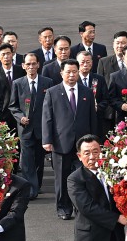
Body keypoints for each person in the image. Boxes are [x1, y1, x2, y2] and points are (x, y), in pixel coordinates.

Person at [42, 59, 97, 219]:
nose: (72, 75)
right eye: (68, 72)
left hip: (83, 144)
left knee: (84, 177)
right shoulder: (52, 92)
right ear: (61, 73)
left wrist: (94, 140)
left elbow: (92, 117)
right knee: (61, 178)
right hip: (61, 142)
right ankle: (63, 208)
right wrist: (47, 140)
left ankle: (82, 208)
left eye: (75, 72)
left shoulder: (86, 92)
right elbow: (47, 118)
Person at [8, 53, 51, 198]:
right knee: (26, 161)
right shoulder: (18, 83)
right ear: (23, 66)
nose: (31, 67)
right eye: (28, 64)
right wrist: (21, 118)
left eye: (34, 64)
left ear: (38, 65)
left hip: (42, 128)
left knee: (39, 159)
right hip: (25, 129)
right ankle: (30, 190)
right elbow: (12, 106)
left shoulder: (47, 82)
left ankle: (36, 186)